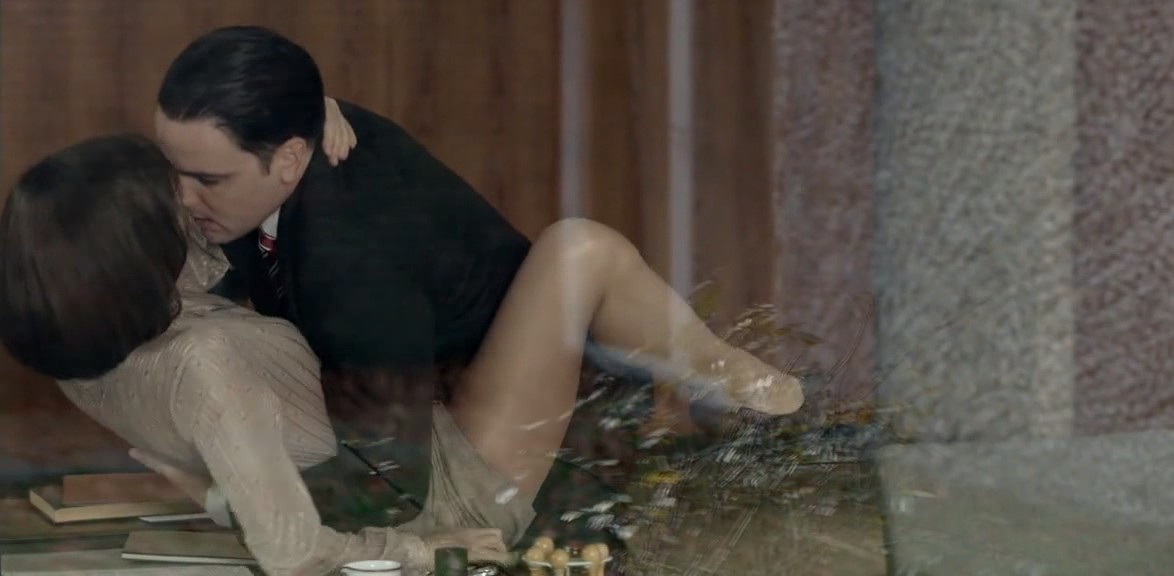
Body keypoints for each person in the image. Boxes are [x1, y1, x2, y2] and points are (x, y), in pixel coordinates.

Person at [0, 135, 803, 576]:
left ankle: (712, 389)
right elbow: (293, 552)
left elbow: (218, 455)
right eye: (179, 207)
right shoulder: (204, 358)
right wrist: (422, 550)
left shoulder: (83, 355)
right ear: (136, 251)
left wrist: (301, 117)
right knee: (580, 253)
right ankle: (735, 384)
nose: (197, 206)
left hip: (386, 444)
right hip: (439, 495)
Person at [150, 25, 707, 440]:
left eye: (207, 180)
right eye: (173, 171)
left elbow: (388, 466)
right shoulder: (272, 165)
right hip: (438, 400)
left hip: (540, 431)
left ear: (291, 157)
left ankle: (715, 389)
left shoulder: (348, 255)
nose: (183, 196)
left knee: (586, 252)